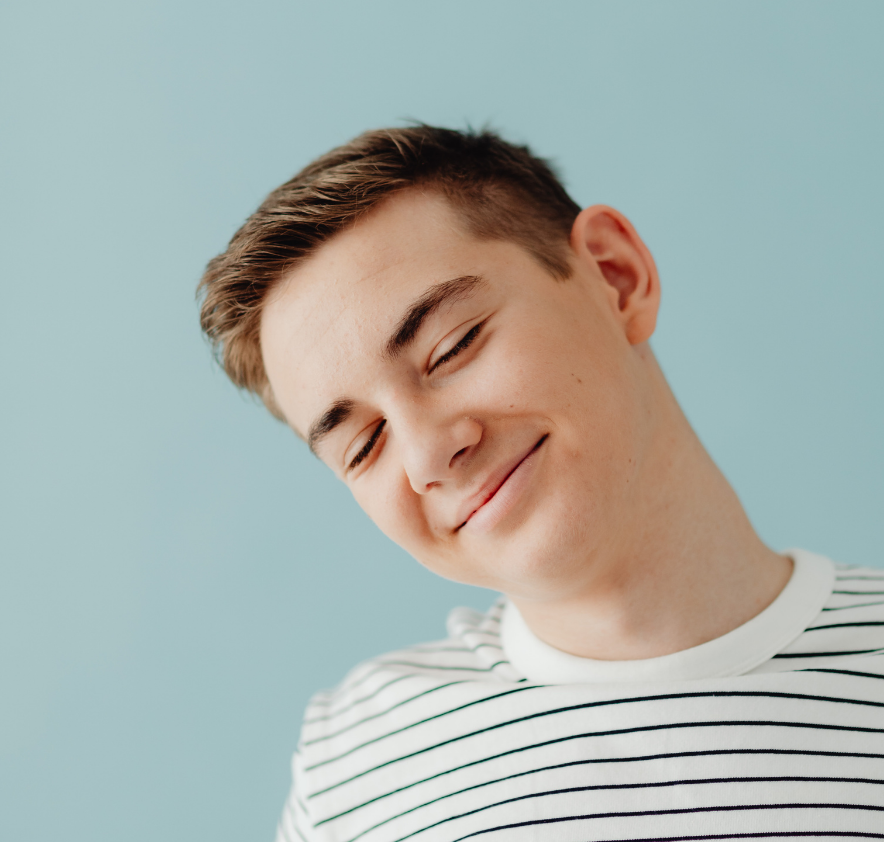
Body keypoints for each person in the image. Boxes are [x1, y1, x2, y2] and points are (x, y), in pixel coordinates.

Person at [199, 125, 884, 842]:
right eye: (364, 445)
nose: (428, 456)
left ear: (616, 277)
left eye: (452, 346)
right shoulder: (351, 770)